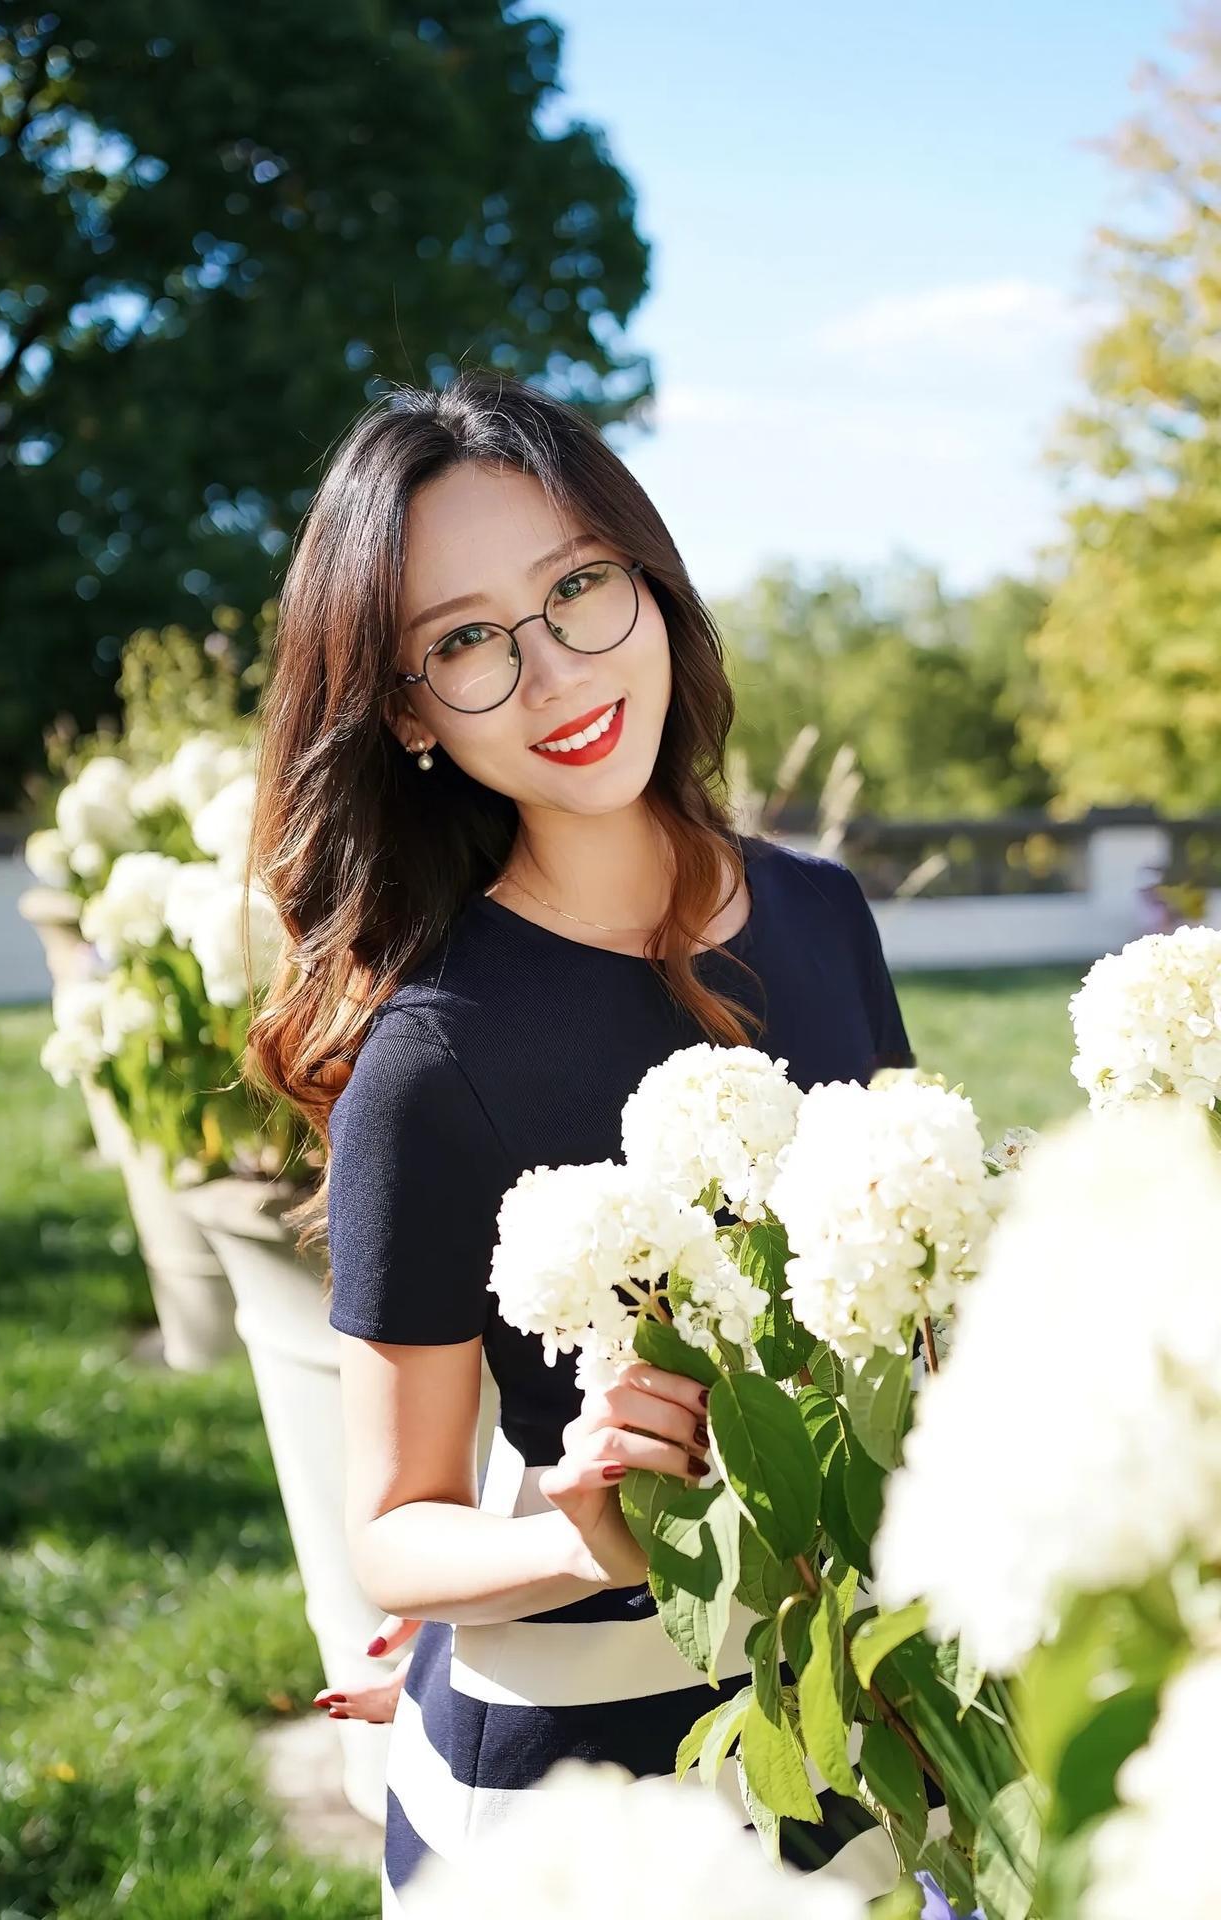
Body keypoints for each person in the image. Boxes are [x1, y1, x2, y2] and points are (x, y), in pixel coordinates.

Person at [245, 370, 916, 1914]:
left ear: (651, 582)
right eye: (466, 642)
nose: (554, 674)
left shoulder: (821, 914)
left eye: (577, 588)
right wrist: (575, 1534)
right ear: (407, 711)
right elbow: (393, 1534)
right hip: (582, 1777)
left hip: (868, 1715)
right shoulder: (433, 1057)